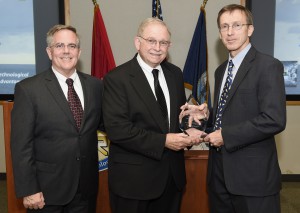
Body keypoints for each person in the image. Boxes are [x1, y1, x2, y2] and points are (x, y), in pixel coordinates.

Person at [181, 4, 286, 213]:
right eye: (224, 26)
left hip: (253, 179)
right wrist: (207, 115)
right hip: (219, 175)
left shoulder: (268, 66)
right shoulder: (221, 71)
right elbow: (229, 114)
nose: (230, 32)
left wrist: (226, 136)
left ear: (250, 29)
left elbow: (274, 119)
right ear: (219, 33)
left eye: (237, 25)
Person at [102, 17, 203, 213]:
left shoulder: (175, 74)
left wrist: (191, 126)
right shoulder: (117, 78)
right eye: (151, 41)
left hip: (172, 179)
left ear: (169, 45)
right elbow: (117, 130)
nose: (157, 47)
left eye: (163, 42)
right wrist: (163, 141)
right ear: (137, 42)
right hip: (133, 183)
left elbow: (176, 120)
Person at [11, 25, 103, 212]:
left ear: (79, 51)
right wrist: (29, 189)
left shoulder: (95, 85)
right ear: (49, 51)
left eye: (72, 46)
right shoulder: (28, 89)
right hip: (46, 192)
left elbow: (110, 123)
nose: (66, 51)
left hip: (85, 189)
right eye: (59, 45)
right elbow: (21, 145)